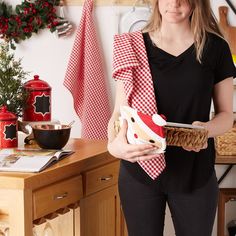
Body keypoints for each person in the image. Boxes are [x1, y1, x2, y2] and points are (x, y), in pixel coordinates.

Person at [107, 0, 236, 235]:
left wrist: (205, 130)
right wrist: (113, 146)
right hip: (140, 170)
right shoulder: (133, 45)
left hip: (195, 173)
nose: (174, 4)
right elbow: (119, 113)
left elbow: (227, 115)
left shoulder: (216, 48)